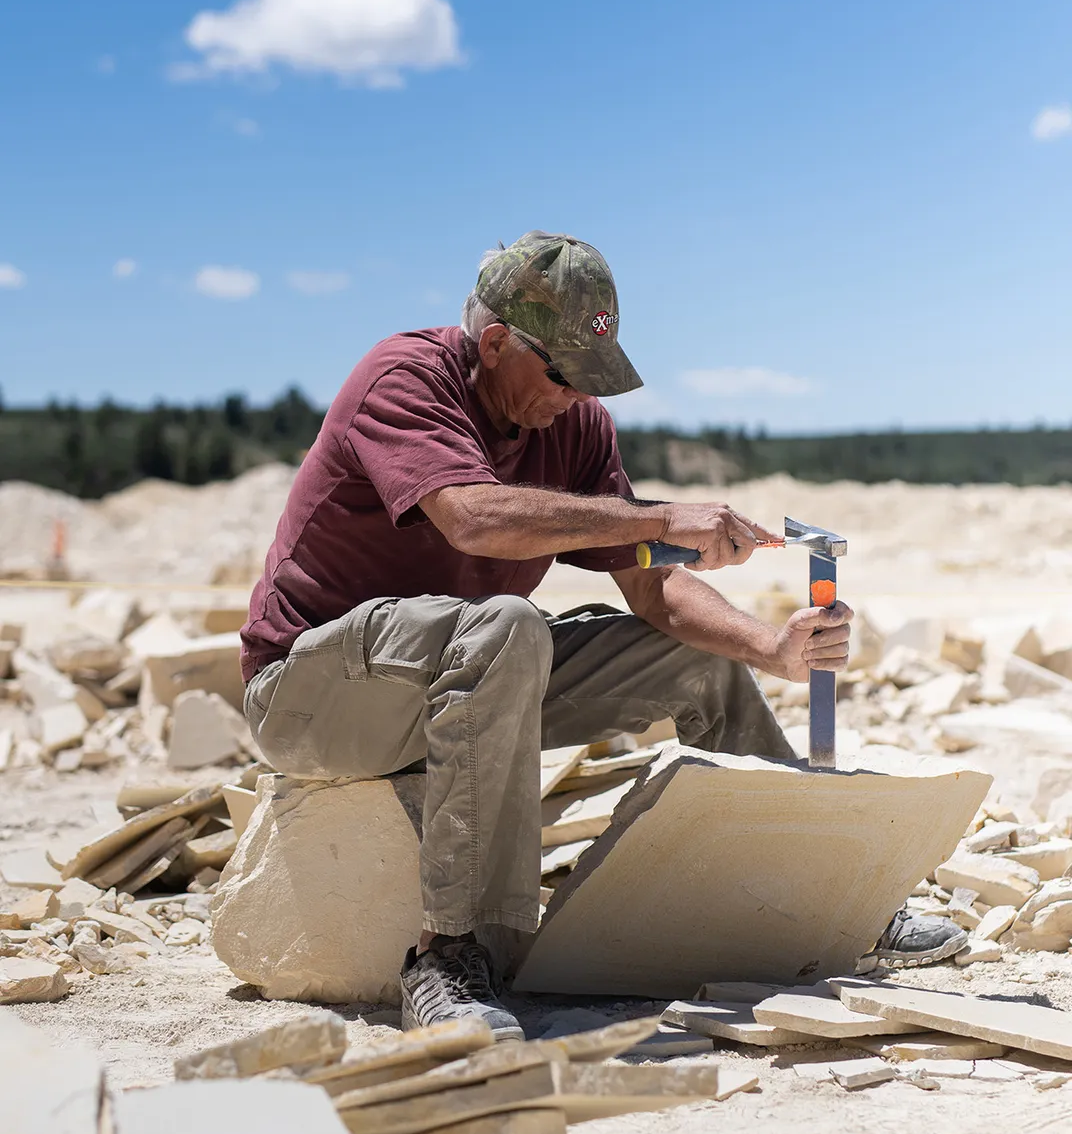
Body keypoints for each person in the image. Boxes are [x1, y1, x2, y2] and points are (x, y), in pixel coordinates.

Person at [240, 230, 966, 1041]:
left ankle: (824, 899)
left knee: (694, 658)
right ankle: (450, 958)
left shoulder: (575, 428)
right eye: (563, 375)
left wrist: (771, 647)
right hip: (312, 697)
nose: (577, 399)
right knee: (510, 626)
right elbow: (473, 516)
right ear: (493, 343)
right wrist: (661, 514)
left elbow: (653, 592)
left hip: (467, 678)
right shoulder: (404, 378)